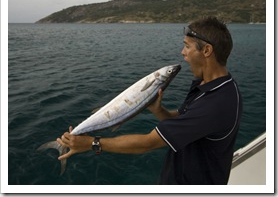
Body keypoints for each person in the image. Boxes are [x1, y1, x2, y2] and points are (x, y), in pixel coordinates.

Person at [57, 17, 242, 185]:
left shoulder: (216, 103)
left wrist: (92, 143)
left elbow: (148, 143)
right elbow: (186, 120)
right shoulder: (209, 84)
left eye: (187, 46)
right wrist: (158, 110)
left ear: (207, 50)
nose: (182, 52)